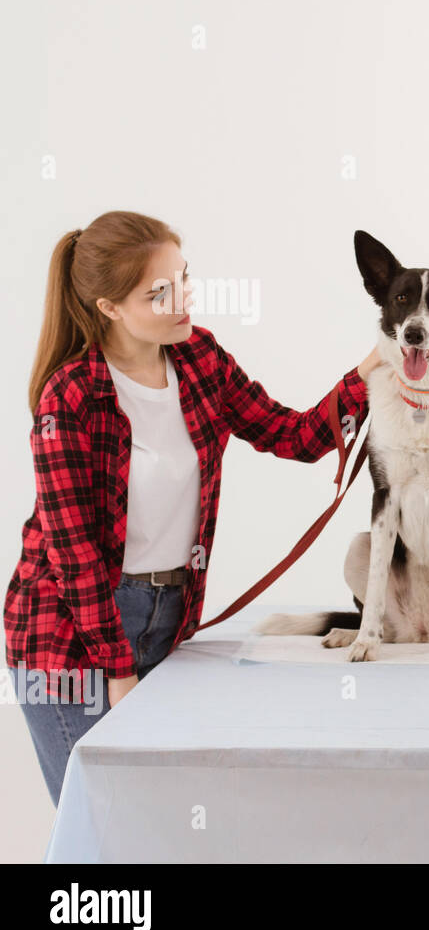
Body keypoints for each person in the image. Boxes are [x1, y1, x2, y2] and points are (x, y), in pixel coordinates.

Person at [3, 210, 383, 807]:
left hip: (168, 617)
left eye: (183, 278)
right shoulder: (71, 395)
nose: (182, 299)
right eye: (159, 292)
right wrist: (119, 671)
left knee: (159, 823)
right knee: (99, 827)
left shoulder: (198, 357)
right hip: (71, 640)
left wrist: (365, 376)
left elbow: (296, 436)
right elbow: (73, 555)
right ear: (109, 307)